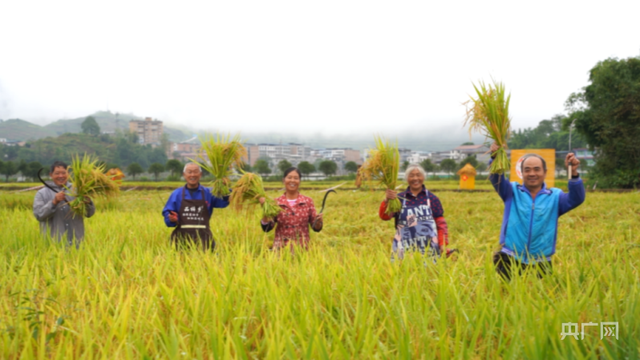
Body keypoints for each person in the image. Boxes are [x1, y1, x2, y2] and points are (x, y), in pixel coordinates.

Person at [489, 143, 586, 279]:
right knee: (505, 296)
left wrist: (573, 172)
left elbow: (577, 198)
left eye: (536, 169)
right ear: (521, 173)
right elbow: (496, 178)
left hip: (541, 262)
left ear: (545, 172)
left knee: (540, 297)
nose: (532, 173)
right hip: (509, 258)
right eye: (527, 170)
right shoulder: (511, 191)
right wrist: (495, 157)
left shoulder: (555, 197)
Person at [380, 164, 450, 261]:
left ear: (423, 177)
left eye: (418, 175)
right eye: (411, 175)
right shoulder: (398, 199)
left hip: (429, 249)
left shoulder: (432, 199)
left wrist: (443, 244)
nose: (415, 178)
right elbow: (385, 216)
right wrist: (387, 200)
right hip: (404, 248)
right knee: (403, 273)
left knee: (429, 273)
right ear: (406, 178)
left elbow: (441, 224)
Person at [162, 162, 229, 251]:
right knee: (180, 263)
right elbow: (168, 216)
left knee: (208, 263)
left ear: (200, 174)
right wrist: (171, 219)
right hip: (181, 240)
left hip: (204, 239)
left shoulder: (209, 193)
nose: (192, 175)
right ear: (184, 175)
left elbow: (224, 201)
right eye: (189, 172)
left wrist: (224, 188)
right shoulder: (176, 194)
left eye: (195, 172)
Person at [33, 161, 95, 248]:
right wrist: (54, 202)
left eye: (63, 173)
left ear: (68, 174)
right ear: (51, 175)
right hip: (53, 245)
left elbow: (89, 214)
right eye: (57, 173)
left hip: (77, 244)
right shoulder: (42, 193)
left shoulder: (78, 191)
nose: (61, 176)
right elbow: (39, 215)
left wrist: (88, 202)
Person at [259, 167, 323, 252]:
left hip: (302, 249)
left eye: (296, 178)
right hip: (280, 249)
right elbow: (266, 228)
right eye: (289, 177)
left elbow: (316, 228)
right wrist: (265, 208)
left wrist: (319, 222)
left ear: (299, 181)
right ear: (283, 180)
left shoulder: (308, 201)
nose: (292, 180)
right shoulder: (275, 203)